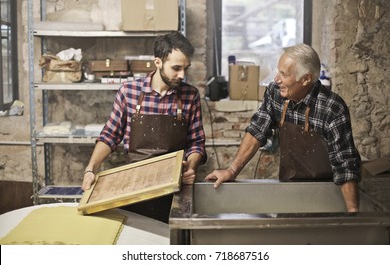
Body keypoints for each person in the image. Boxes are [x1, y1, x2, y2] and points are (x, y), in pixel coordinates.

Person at [205, 43, 361, 213]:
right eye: (277, 71)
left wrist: (353, 215)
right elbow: (257, 130)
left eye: (284, 74)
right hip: (289, 188)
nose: (276, 79)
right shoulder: (274, 93)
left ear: (306, 79)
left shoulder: (332, 108)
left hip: (327, 193)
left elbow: (344, 165)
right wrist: (232, 170)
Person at [82, 31, 207, 222]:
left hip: (174, 187)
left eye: (186, 68)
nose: (182, 75)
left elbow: (196, 142)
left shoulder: (190, 96)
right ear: (157, 62)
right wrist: (91, 168)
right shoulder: (129, 92)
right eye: (176, 68)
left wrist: (191, 167)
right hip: (135, 186)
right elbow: (110, 135)